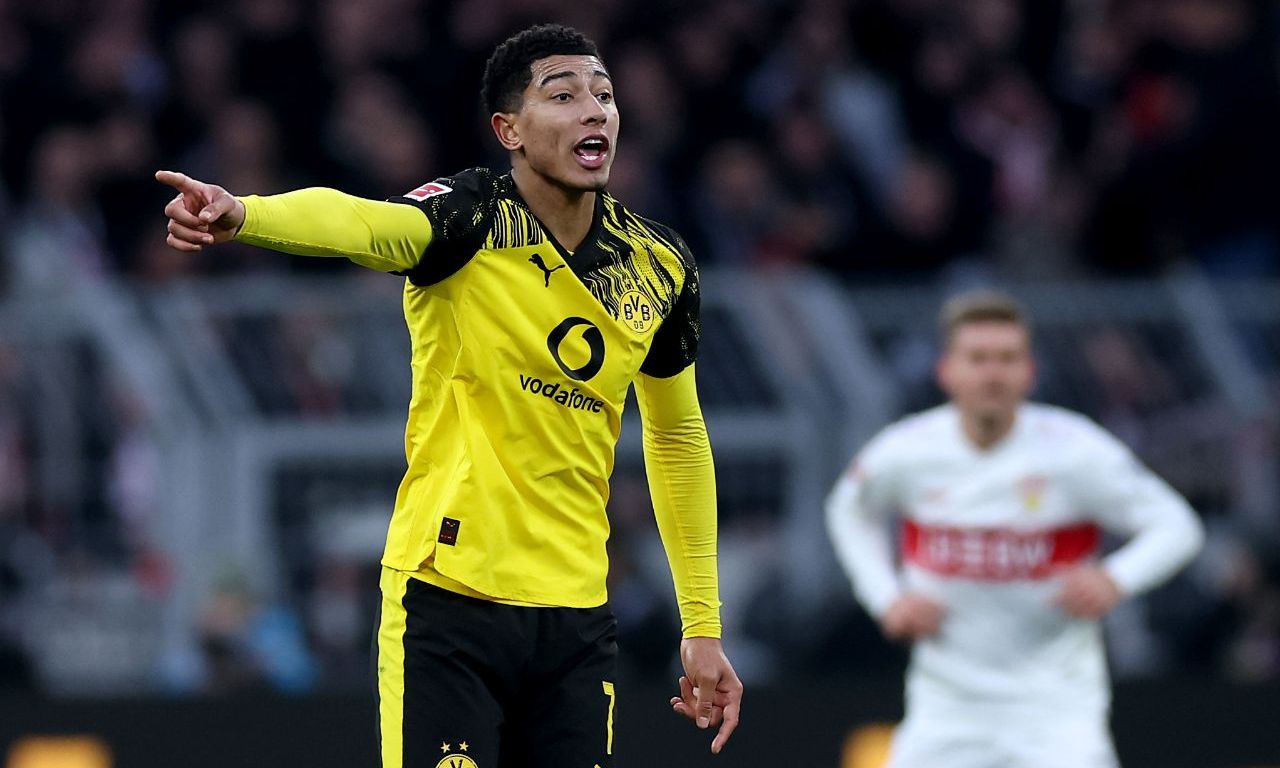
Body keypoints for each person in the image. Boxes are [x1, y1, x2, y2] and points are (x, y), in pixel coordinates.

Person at [156, 23, 741, 768]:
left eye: (604, 94)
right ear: (510, 130)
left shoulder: (658, 266)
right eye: (563, 95)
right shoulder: (471, 217)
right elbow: (363, 222)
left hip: (576, 618)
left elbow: (677, 437)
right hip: (447, 599)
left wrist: (702, 624)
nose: (594, 110)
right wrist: (247, 214)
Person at [825, 290, 1204, 768]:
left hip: (1056, 714)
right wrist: (886, 597)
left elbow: (1176, 525)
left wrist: (1116, 578)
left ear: (1030, 371)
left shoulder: (1075, 451)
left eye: (1007, 359)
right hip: (946, 714)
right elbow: (848, 510)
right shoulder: (908, 451)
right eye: (978, 359)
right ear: (947, 371)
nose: (993, 373)